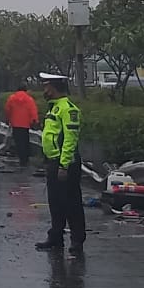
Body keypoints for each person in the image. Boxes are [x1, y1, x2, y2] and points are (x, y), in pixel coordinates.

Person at [35, 72, 85, 257]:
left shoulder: (68, 109)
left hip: (66, 163)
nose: (44, 90)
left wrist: (64, 165)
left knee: (71, 203)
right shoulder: (53, 108)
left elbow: (70, 140)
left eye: (46, 86)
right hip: (54, 161)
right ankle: (56, 237)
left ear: (54, 87)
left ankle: (77, 240)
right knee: (55, 202)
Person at [4, 81, 40, 171]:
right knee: (25, 141)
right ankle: (25, 159)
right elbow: (33, 111)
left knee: (18, 142)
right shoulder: (29, 99)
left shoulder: (12, 98)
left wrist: (8, 119)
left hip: (15, 123)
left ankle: (21, 159)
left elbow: (8, 110)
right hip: (25, 124)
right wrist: (34, 121)